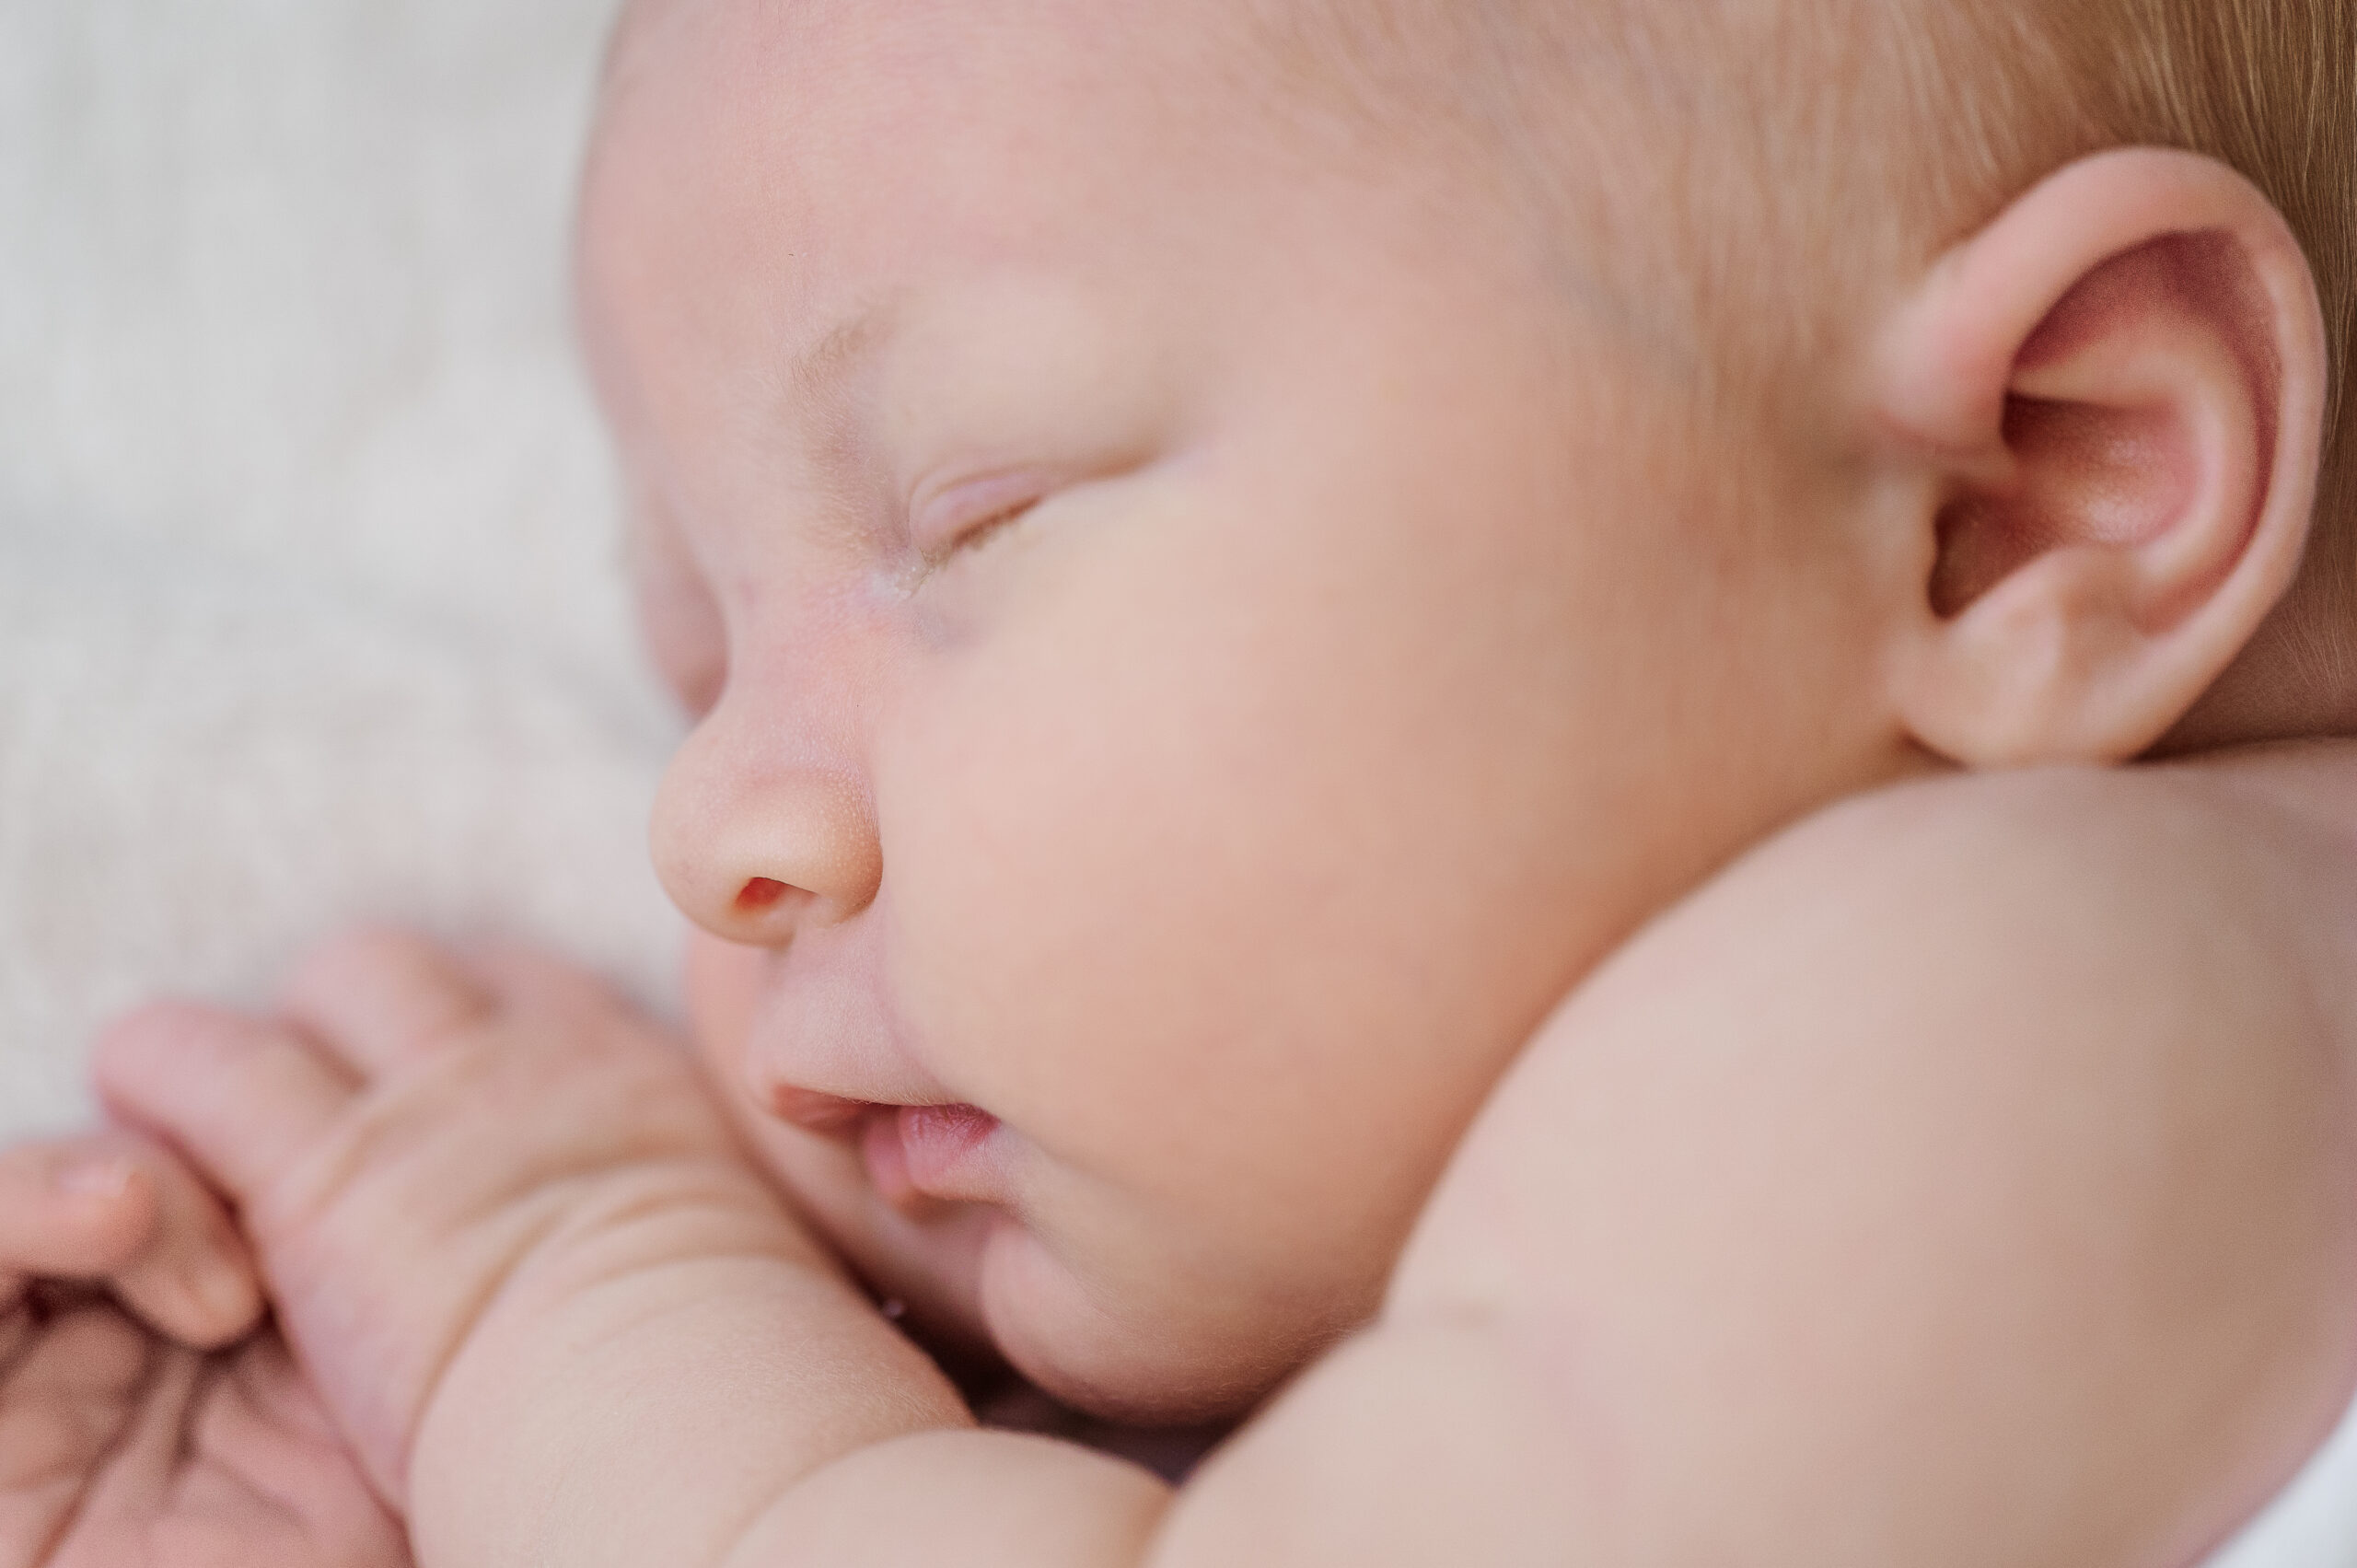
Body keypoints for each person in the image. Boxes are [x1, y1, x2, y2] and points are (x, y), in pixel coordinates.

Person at [5, 0, 2355, 1562]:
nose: (710, 825)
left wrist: (578, 1315)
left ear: (2024, 498)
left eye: (968, 514)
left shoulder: (2031, 1003)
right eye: (695, 646)